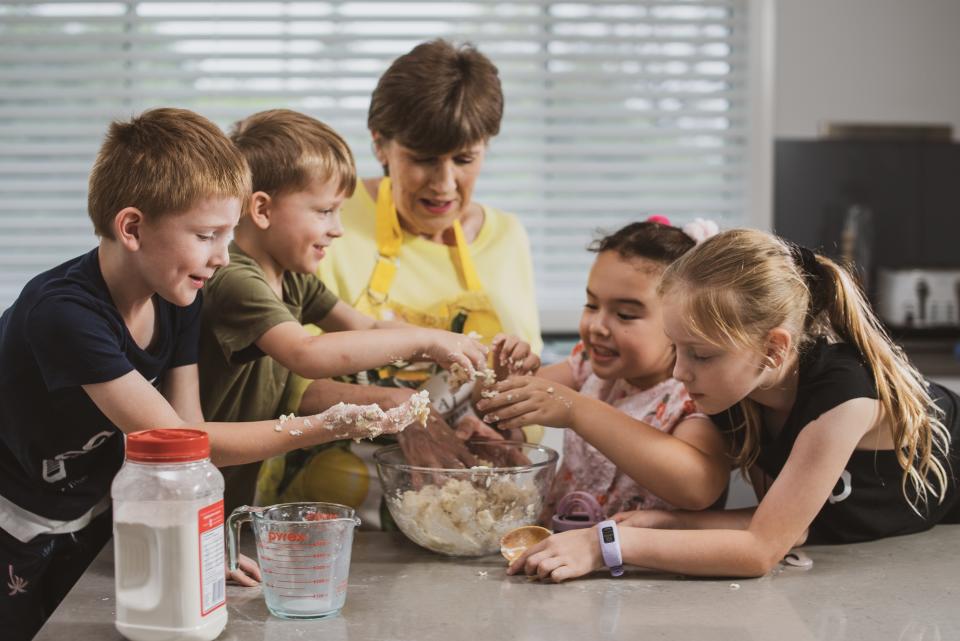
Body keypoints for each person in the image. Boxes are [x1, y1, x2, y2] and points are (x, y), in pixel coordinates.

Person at [0, 108, 484, 640]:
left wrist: (198, 555)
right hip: (13, 517)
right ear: (133, 227)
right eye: (207, 235)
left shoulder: (178, 296)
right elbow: (182, 444)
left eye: (228, 236)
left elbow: (188, 440)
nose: (221, 257)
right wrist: (332, 423)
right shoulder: (65, 314)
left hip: (91, 512)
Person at [508, 228, 960, 583]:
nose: (680, 372)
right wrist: (671, 524)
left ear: (773, 349)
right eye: (676, 348)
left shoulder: (843, 398)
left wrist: (606, 545)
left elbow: (762, 549)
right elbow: (787, 524)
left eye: (701, 354)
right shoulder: (736, 390)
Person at [258, 39, 542, 525]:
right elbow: (284, 386)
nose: (445, 183)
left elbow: (520, 386)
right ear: (380, 145)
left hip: (454, 514)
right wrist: (408, 412)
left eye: (465, 159)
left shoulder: (508, 237)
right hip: (322, 513)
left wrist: (500, 426)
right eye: (424, 158)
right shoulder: (325, 223)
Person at [199, 108, 491, 514]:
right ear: (262, 210)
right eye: (324, 211)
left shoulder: (293, 277)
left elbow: (367, 326)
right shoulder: (234, 278)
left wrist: (459, 350)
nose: (337, 228)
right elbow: (307, 354)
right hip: (194, 485)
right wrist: (428, 338)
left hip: (230, 492)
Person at [476, 220, 729, 520]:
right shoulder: (588, 368)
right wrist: (502, 376)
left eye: (625, 314)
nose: (597, 326)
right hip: (560, 551)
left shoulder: (691, 396)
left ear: (683, 322)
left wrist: (577, 411)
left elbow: (697, 486)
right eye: (591, 305)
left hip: (637, 562)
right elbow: (493, 404)